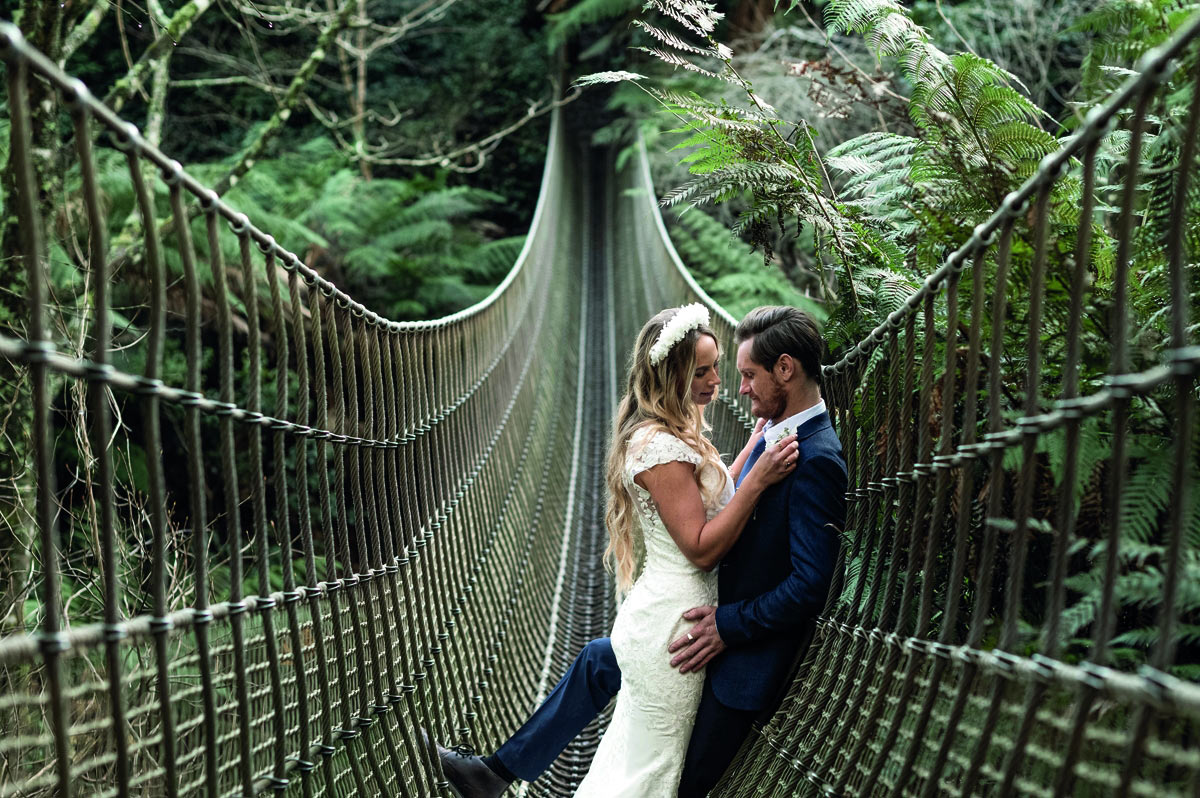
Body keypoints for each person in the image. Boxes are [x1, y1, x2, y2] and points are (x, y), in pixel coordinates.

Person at [429, 305, 847, 798]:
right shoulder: (770, 434)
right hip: (691, 618)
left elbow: (809, 585)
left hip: (730, 647)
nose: (735, 388)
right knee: (606, 667)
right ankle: (495, 773)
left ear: (785, 369)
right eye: (712, 371)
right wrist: (745, 472)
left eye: (747, 375)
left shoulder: (815, 457)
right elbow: (728, 506)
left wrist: (728, 624)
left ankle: (495, 773)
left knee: (659, 771)